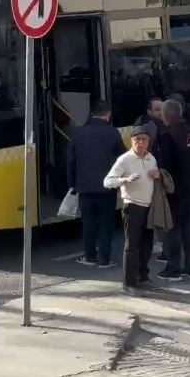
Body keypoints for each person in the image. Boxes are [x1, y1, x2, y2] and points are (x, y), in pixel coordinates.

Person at [67, 100, 126, 268]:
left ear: (92, 113)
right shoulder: (113, 133)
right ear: (108, 114)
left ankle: (90, 256)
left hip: (84, 186)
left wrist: (72, 184)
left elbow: (71, 161)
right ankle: (104, 259)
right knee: (106, 224)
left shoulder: (78, 133)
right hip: (107, 187)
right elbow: (123, 158)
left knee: (88, 223)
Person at [104, 125, 160, 294]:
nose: (141, 143)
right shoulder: (124, 159)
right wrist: (126, 179)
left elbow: (156, 178)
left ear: (149, 142)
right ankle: (129, 283)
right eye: (137, 140)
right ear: (132, 141)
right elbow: (107, 181)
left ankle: (143, 276)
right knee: (132, 246)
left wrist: (158, 175)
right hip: (132, 205)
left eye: (144, 140)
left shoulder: (151, 158)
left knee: (147, 244)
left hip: (148, 206)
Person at [157, 99, 190, 282]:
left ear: (167, 115)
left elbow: (165, 166)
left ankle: (173, 268)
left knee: (172, 228)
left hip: (175, 190)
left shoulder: (168, 136)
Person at [134, 97, 165, 164]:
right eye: (157, 110)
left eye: (163, 109)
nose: (161, 112)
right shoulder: (149, 126)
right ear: (149, 112)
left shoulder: (160, 123)